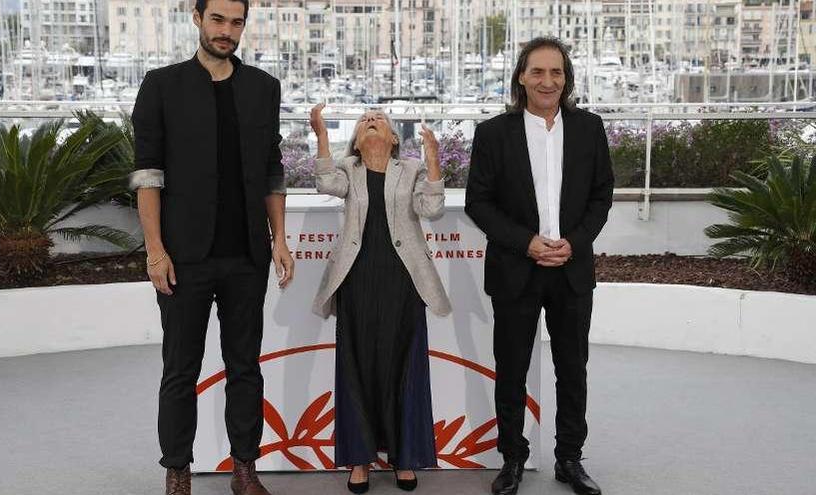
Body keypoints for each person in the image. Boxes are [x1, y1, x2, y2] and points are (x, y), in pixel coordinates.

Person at [128, 0, 294, 493]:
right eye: (218, 19)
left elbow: (271, 169)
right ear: (197, 18)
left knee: (245, 367)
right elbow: (147, 175)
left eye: (236, 22)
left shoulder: (263, 87)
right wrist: (155, 250)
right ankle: (177, 470)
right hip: (182, 258)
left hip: (247, 255)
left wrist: (280, 239)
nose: (227, 31)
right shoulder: (162, 85)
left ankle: (245, 468)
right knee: (181, 368)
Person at [465, 37, 614, 495]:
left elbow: (601, 195)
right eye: (538, 72)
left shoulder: (589, 128)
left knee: (573, 368)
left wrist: (574, 242)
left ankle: (570, 459)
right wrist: (528, 243)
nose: (547, 81)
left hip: (571, 269)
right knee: (510, 368)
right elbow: (479, 203)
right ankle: (512, 458)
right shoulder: (493, 133)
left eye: (556, 73)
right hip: (516, 269)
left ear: (566, 79)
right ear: (521, 78)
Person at [309, 104, 451, 493]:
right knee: (356, 367)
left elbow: (432, 209)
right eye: (364, 120)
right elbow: (325, 183)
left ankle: (404, 457)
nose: (371, 120)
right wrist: (321, 136)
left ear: (392, 138)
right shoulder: (348, 171)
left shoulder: (411, 170)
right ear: (356, 139)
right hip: (357, 280)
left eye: (380, 119)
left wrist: (434, 159)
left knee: (405, 368)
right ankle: (359, 460)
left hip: (404, 282)